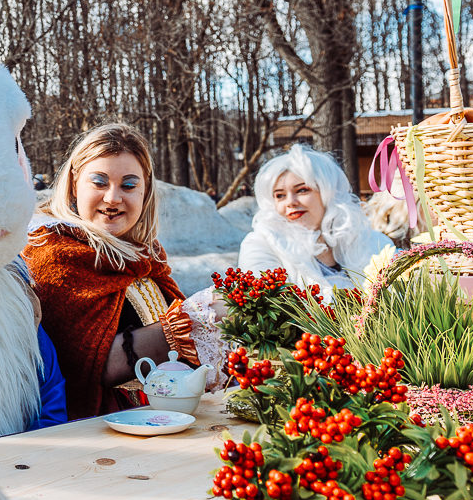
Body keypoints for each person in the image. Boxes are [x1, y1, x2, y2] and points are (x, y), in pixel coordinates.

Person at [23, 123, 199, 420]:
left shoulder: (146, 255)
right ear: (75, 182)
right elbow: (84, 366)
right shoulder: (53, 253)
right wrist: (181, 328)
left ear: (145, 191)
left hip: (161, 418)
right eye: (99, 182)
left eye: (129, 185)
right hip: (100, 429)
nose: (113, 198)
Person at [239, 143, 393, 293]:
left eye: (302, 190)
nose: (290, 202)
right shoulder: (261, 245)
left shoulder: (374, 242)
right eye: (280, 195)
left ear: (329, 193)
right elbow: (270, 307)